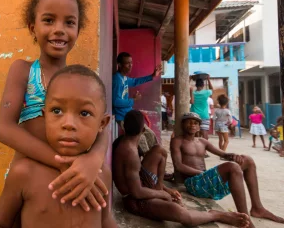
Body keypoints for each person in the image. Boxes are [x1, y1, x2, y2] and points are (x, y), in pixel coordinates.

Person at [0, 0, 108, 217]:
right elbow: (4, 128)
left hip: (72, 177)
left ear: (78, 29)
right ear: (32, 27)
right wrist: (64, 163)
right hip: (27, 179)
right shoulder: (23, 71)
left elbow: (103, 123)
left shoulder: (81, 81)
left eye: (69, 22)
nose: (59, 29)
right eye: (49, 20)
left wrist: (94, 159)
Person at [0, 65, 117, 228]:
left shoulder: (100, 173)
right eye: (57, 111)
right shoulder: (24, 174)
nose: (68, 124)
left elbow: (105, 220)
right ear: (44, 117)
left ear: (102, 123)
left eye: (84, 113)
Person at [112, 110, 250, 228]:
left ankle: (160, 191)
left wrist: (164, 189)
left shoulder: (126, 142)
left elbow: (137, 177)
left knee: (159, 150)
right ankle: (215, 214)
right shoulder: (130, 152)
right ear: (143, 130)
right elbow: (136, 192)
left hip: (139, 186)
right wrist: (163, 195)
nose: (192, 125)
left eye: (195, 123)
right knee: (182, 214)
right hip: (134, 200)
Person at [171, 112, 284, 228]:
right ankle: (244, 219)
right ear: (183, 124)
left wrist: (234, 155)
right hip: (193, 184)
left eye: (195, 123)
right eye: (189, 122)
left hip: (207, 182)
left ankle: (257, 208)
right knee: (232, 167)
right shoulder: (177, 141)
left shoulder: (202, 141)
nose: (192, 125)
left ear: (199, 126)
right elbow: (179, 166)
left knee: (248, 160)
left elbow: (224, 154)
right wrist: (202, 173)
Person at [112, 52, 162, 128]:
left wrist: (152, 76)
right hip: (122, 117)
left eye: (131, 63)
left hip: (128, 113)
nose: (130, 65)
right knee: (143, 136)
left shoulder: (124, 77)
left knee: (148, 133)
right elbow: (116, 102)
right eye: (127, 63)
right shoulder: (117, 79)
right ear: (119, 65)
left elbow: (135, 81)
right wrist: (133, 100)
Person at [190, 76, 213, 140]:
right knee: (204, 133)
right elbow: (211, 89)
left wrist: (189, 79)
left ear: (196, 85)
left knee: (194, 133)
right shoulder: (206, 92)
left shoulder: (193, 93)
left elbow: (186, 90)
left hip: (194, 116)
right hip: (204, 115)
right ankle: (204, 148)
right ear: (203, 85)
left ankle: (195, 147)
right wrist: (208, 79)